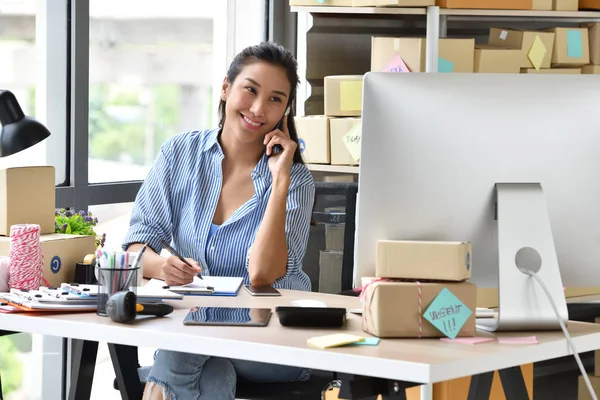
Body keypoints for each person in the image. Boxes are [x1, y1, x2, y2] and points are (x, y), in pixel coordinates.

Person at [122, 41, 315, 400]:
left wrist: (279, 182)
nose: (258, 109)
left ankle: (159, 384)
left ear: (285, 112)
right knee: (212, 373)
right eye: (250, 90)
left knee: (180, 348)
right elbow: (138, 242)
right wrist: (164, 267)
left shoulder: (296, 181)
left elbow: (262, 274)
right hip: (199, 336)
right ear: (226, 88)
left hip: (274, 339)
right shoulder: (179, 153)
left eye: (275, 99)